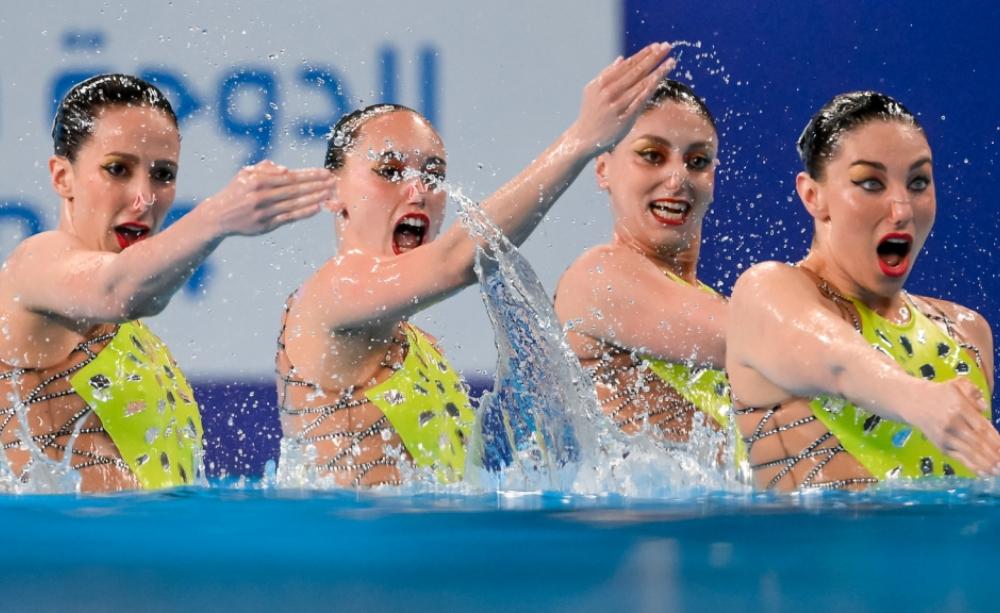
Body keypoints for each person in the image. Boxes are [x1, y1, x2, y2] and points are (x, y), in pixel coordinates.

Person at [276, 43, 677, 487]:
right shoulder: (330, 294)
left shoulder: (422, 346)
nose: (419, 190)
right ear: (332, 192)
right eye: (390, 171)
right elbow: (457, 258)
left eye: (433, 174)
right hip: (352, 552)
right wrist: (580, 140)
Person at [0, 74, 334, 492]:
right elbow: (114, 291)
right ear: (62, 177)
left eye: (163, 174)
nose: (144, 198)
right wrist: (218, 217)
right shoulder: (34, 264)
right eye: (117, 169)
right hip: (51, 551)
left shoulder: (127, 330)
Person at [726, 91, 1000, 491]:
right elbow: (838, 361)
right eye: (870, 183)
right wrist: (921, 401)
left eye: (918, 182)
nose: (902, 209)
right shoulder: (766, 292)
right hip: (810, 552)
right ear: (812, 196)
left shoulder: (967, 333)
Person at [554, 79, 732, 462]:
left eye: (697, 161)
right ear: (603, 169)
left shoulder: (715, 306)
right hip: (637, 521)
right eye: (652, 155)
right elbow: (765, 345)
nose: (678, 178)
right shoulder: (597, 277)